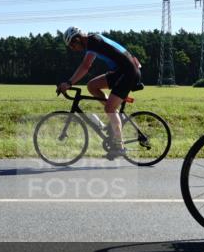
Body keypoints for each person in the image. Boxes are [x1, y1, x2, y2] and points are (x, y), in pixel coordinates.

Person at [58, 27, 142, 159]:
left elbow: (86, 66)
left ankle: (120, 147)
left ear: (78, 39)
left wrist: (69, 83)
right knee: (92, 86)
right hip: (121, 71)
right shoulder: (92, 41)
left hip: (129, 72)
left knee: (109, 107)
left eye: (72, 45)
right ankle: (116, 116)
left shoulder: (93, 42)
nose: (72, 49)